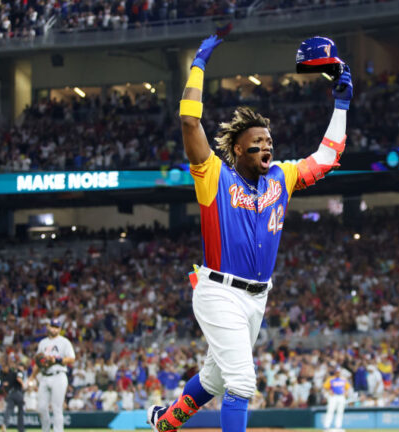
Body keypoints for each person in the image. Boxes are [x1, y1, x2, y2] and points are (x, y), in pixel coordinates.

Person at [147, 33, 353, 432]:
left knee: (213, 380)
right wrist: (199, 63)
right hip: (219, 291)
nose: (267, 146)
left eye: (269, 141)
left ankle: (166, 422)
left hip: (257, 298)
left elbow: (328, 157)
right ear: (239, 150)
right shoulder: (214, 176)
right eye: (257, 142)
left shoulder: (282, 177)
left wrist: (341, 104)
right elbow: (189, 122)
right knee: (241, 382)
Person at [31, 319, 76, 432]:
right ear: (48, 327)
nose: (54, 329)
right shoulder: (43, 343)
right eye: (52, 326)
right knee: (41, 407)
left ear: (60, 329)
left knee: (57, 408)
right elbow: (38, 362)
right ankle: (45, 430)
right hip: (44, 376)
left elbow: (72, 359)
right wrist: (32, 376)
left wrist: (57, 360)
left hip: (58, 375)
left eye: (56, 327)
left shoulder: (64, 342)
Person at [1, 355, 26, 432]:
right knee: (20, 411)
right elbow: (19, 378)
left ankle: (5, 424)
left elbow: (5, 384)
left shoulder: (10, 374)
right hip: (18, 393)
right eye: (23, 367)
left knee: (8, 410)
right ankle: (21, 429)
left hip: (10, 394)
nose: (23, 369)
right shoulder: (19, 372)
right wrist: (23, 385)